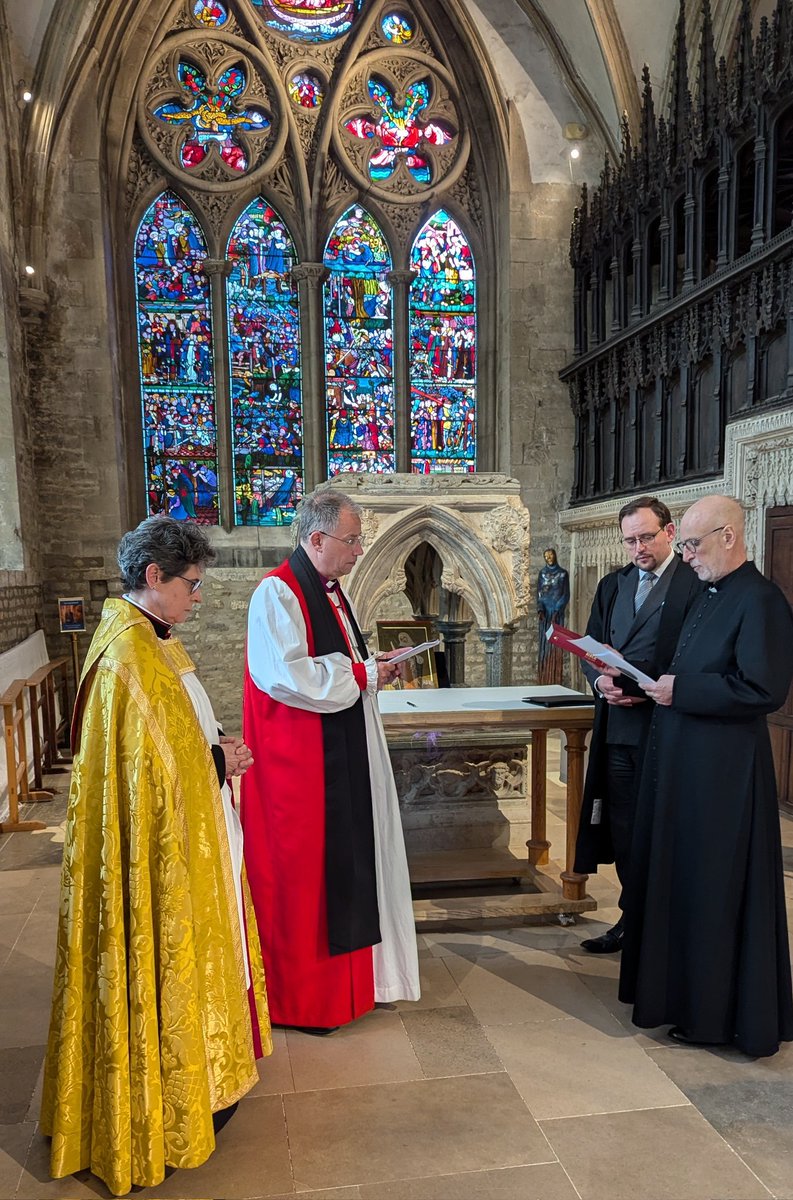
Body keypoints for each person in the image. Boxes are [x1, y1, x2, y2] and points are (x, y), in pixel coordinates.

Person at [40, 518, 271, 1196]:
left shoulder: (155, 642)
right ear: (153, 578)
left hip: (194, 836)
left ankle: (196, 1079)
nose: (197, 599)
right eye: (191, 586)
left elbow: (182, 730)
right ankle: (153, 1109)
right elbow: (146, 775)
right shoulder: (125, 656)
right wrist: (213, 759)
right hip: (158, 856)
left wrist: (218, 747)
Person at [242, 488, 421, 1034]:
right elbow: (287, 676)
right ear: (316, 539)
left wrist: (373, 665)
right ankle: (307, 1001)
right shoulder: (278, 593)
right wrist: (363, 674)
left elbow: (335, 662)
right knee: (307, 880)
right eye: (352, 539)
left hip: (337, 749)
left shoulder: (331, 592)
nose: (360, 549)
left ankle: (353, 987)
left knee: (349, 866)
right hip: (300, 769)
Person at [619, 495, 793, 1056]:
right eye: (685, 544)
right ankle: (683, 998)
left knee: (716, 891)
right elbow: (684, 665)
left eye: (692, 544)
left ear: (729, 536)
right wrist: (637, 684)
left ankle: (715, 1015)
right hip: (686, 767)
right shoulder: (710, 593)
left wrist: (683, 690)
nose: (685, 555)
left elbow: (763, 689)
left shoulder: (761, 599)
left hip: (724, 778)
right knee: (686, 884)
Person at [574, 496, 701, 953]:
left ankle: (668, 927)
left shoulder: (695, 583)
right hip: (619, 732)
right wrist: (600, 683)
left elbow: (699, 654)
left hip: (668, 729)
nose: (638, 548)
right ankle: (633, 918)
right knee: (625, 829)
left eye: (646, 536)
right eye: (630, 540)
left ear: (670, 531)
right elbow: (591, 648)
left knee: (666, 830)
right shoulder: (614, 585)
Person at [536, 548, 570, 685]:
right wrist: (539, 609)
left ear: (555, 556)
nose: (548, 558)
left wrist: (557, 610)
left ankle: (555, 679)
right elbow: (539, 593)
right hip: (545, 614)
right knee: (544, 647)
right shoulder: (542, 573)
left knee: (555, 645)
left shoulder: (562, 574)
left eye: (550, 556)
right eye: (546, 556)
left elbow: (565, 594)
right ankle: (543, 679)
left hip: (556, 614)